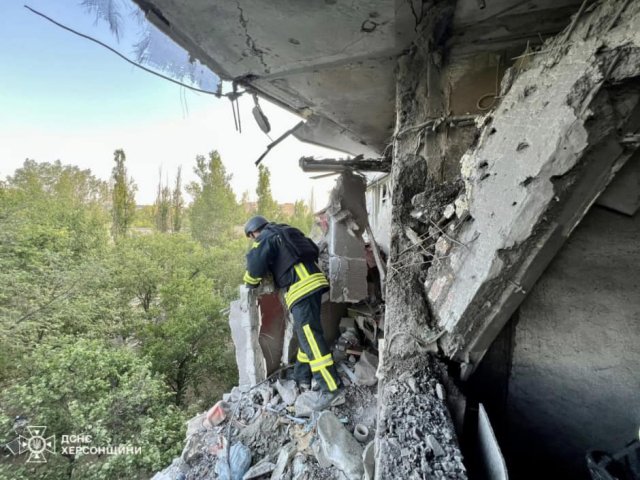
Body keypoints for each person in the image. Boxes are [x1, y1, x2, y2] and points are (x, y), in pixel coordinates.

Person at [243, 215, 344, 410]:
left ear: (255, 231)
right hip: (315, 283)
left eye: (252, 236)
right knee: (305, 335)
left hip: (301, 290)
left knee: (312, 339)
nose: (254, 239)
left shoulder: (265, 237)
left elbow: (254, 267)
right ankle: (301, 376)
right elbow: (313, 249)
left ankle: (332, 389)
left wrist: (250, 282)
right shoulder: (287, 230)